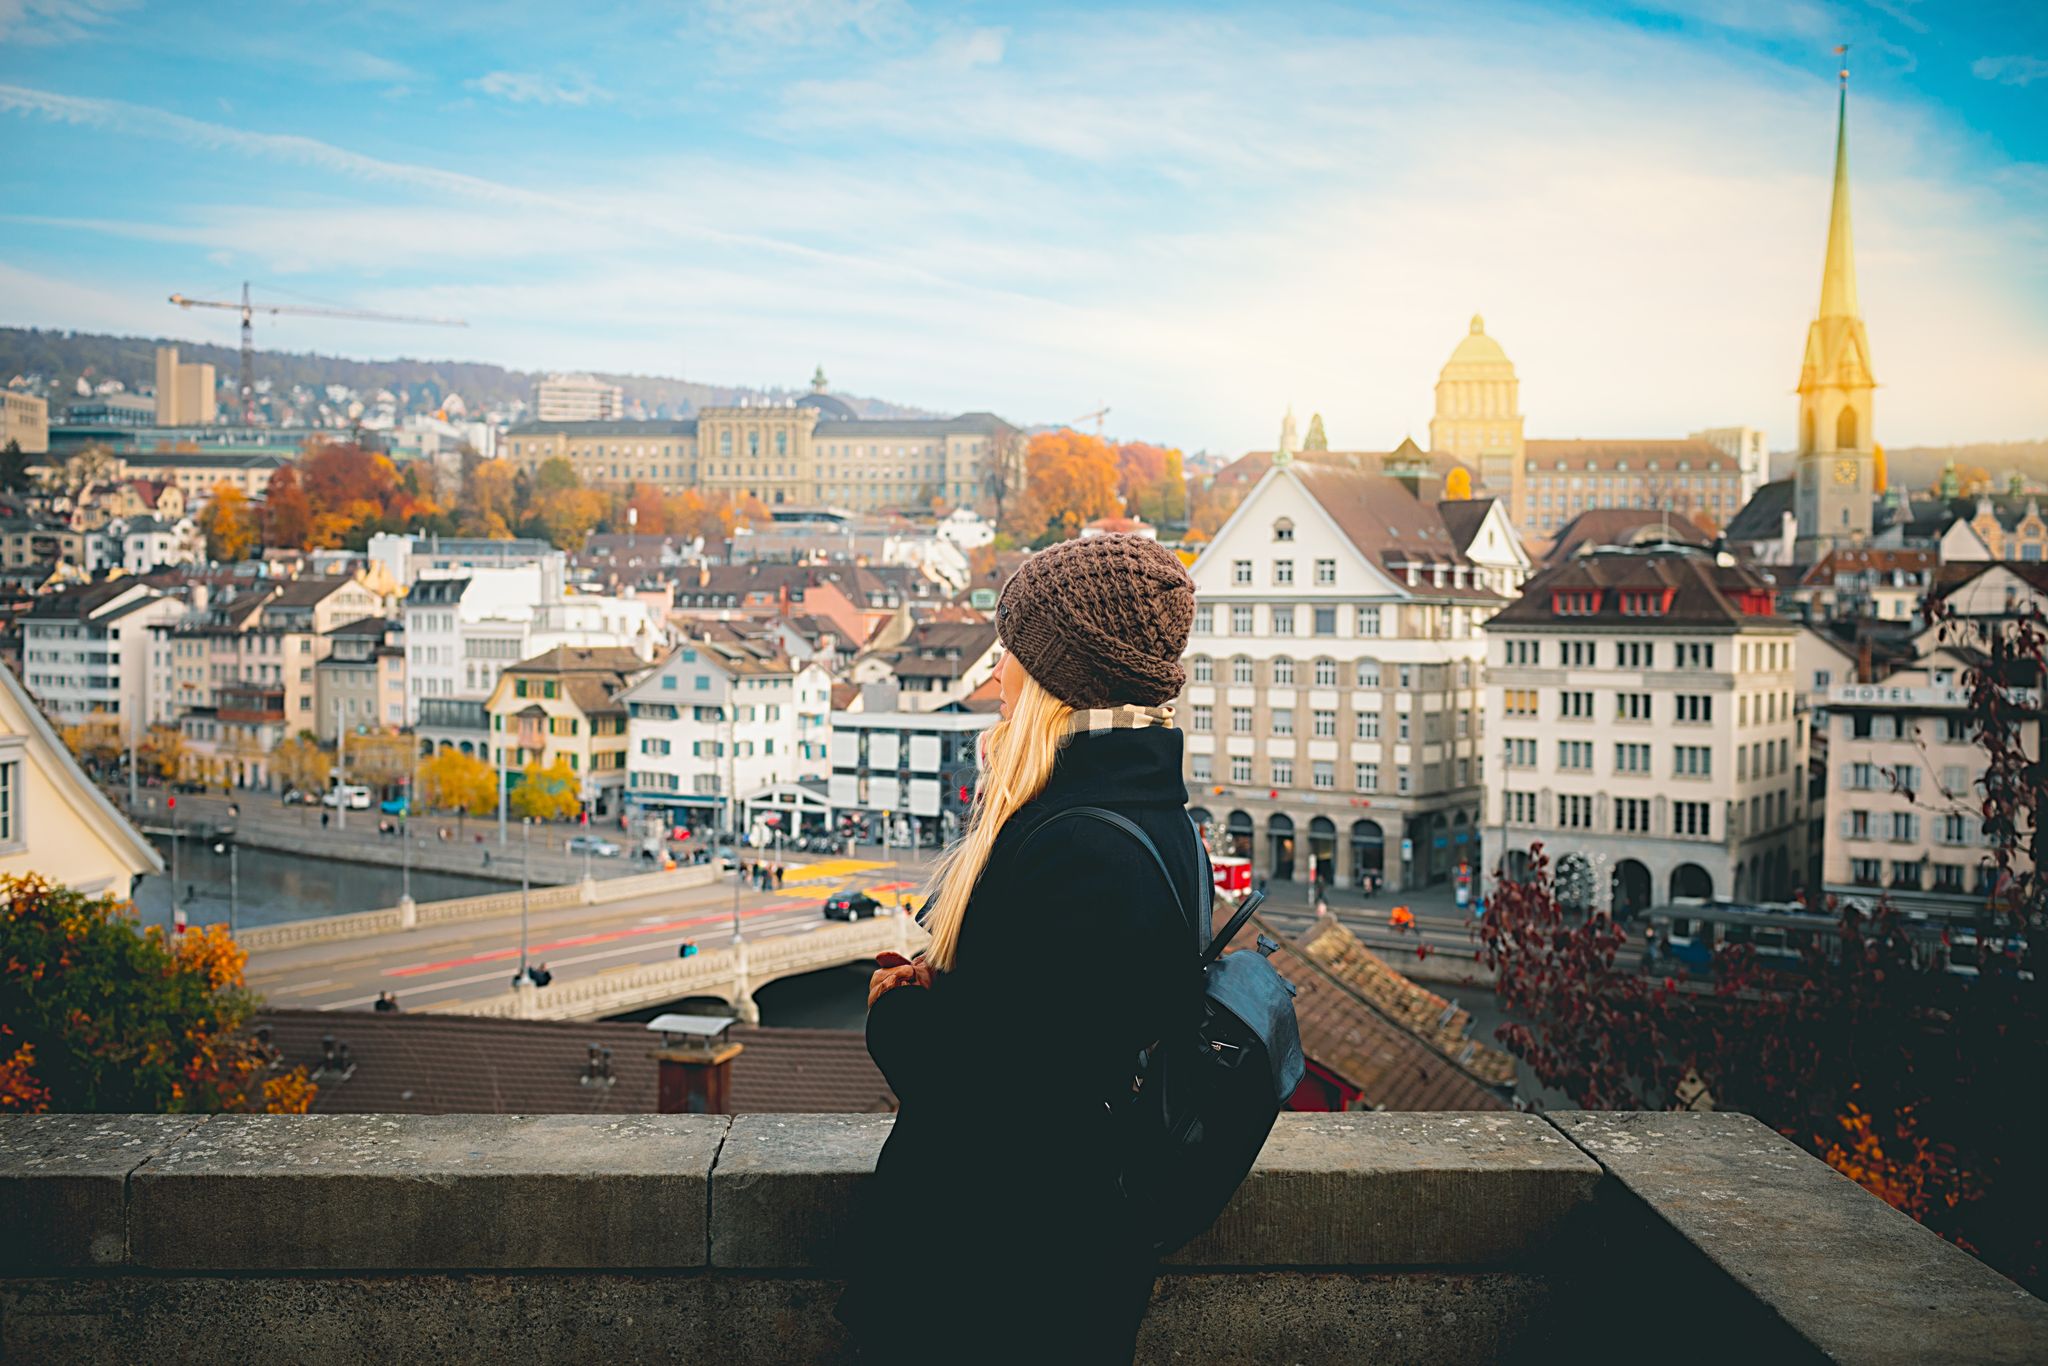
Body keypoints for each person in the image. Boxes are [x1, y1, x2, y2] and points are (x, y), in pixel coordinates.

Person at [838, 534, 1200, 1364]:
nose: (996, 672)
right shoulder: (1149, 815)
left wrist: (900, 1014)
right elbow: (1057, 1028)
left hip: (997, 1283)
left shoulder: (1077, 844)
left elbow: (1000, 1100)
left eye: (1012, 653)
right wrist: (961, 988)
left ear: (1061, 678)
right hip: (1059, 1268)